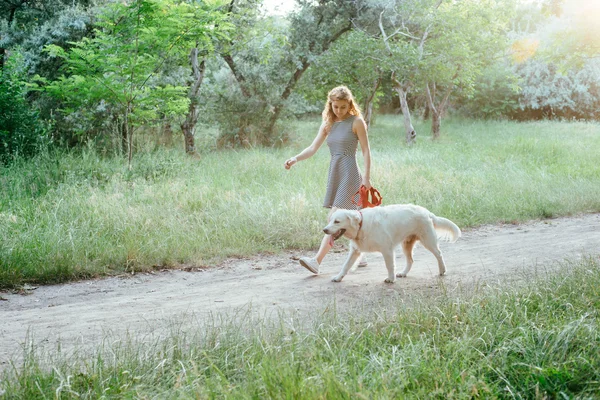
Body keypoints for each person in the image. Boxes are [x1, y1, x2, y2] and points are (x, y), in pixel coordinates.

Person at [284, 86, 372, 274]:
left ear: (350, 104)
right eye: (335, 106)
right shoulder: (328, 123)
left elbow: (366, 150)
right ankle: (360, 254)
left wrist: (366, 177)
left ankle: (316, 261)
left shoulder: (356, 122)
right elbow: (313, 147)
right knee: (344, 218)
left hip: (349, 173)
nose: (339, 110)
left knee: (334, 218)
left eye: (342, 106)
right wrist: (295, 159)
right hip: (335, 173)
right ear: (330, 105)